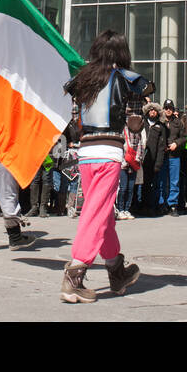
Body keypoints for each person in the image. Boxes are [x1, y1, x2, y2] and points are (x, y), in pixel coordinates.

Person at [59, 29, 146, 304]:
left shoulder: (83, 78)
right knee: (96, 211)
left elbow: (74, 119)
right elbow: (135, 122)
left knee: (103, 213)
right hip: (109, 152)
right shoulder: (127, 79)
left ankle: (116, 270)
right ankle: (75, 274)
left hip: (85, 152)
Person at [116, 110, 144, 219]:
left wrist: (137, 158)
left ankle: (127, 209)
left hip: (134, 162)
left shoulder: (138, 131)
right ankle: (120, 209)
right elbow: (119, 146)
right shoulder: (122, 131)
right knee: (123, 187)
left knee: (131, 188)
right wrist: (122, 160)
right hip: (123, 163)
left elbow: (140, 145)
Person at [161, 100, 184, 215]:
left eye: (170, 108)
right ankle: (162, 203)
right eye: (166, 107)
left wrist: (176, 143)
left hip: (174, 156)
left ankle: (173, 204)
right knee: (162, 181)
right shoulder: (160, 122)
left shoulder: (178, 122)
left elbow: (183, 137)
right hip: (163, 156)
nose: (168, 110)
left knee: (174, 181)